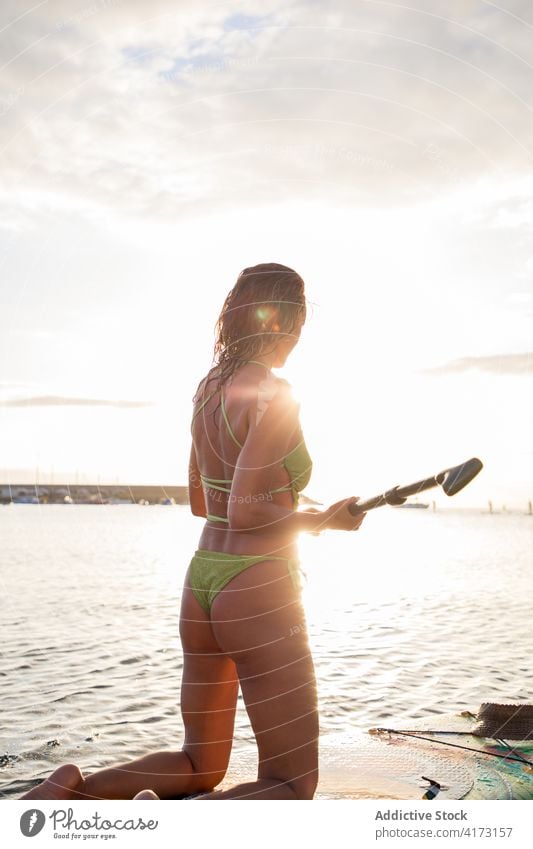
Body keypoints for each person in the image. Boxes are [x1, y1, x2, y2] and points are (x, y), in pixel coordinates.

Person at [22, 263, 365, 801]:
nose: (298, 337)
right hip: (257, 588)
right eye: (297, 324)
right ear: (286, 325)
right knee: (292, 785)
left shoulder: (208, 391)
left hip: (203, 581)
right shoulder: (275, 394)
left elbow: (208, 501)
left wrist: (293, 504)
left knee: (200, 762)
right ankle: (175, 828)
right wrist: (321, 519)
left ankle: (72, 792)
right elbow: (250, 513)